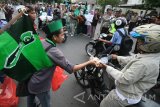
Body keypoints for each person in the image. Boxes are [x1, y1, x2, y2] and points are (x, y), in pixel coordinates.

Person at [27, 19, 99, 107]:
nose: (64, 37)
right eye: (62, 35)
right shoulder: (55, 52)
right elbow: (71, 68)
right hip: (41, 85)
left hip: (30, 81)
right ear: (54, 37)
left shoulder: (41, 42)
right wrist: (89, 62)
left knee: (30, 104)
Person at [98, 24, 160, 107]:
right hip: (135, 92)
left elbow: (124, 79)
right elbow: (133, 58)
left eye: (141, 40)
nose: (137, 42)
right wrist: (117, 57)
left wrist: (106, 67)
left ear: (151, 43)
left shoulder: (144, 64)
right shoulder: (152, 55)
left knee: (103, 105)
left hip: (123, 96)